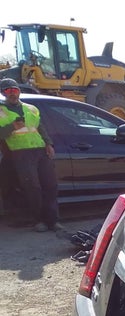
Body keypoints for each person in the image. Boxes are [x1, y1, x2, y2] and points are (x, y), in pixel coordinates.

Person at [0, 78, 62, 232]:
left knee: (50, 186)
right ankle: (39, 220)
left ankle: (53, 221)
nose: (12, 93)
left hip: (40, 150)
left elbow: (40, 127)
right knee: (33, 188)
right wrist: (12, 127)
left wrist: (48, 144)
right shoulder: (1, 111)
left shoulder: (31, 108)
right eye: (8, 90)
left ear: (19, 91)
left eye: (15, 90)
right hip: (20, 153)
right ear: (3, 93)